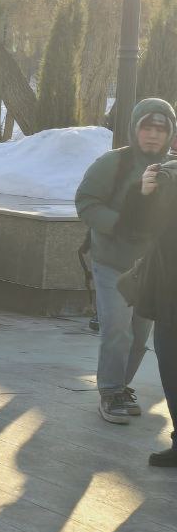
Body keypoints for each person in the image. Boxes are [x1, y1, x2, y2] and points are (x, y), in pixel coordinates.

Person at [76, 98, 175, 424]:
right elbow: (86, 202)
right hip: (112, 262)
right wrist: (117, 224)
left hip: (150, 269)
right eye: (147, 127)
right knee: (117, 329)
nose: (153, 135)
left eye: (161, 129)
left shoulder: (172, 167)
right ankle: (110, 391)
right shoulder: (113, 163)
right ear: (135, 129)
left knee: (139, 334)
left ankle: (121, 386)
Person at [115, 144, 177, 466]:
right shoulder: (168, 176)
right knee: (169, 361)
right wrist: (145, 195)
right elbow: (136, 230)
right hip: (169, 290)